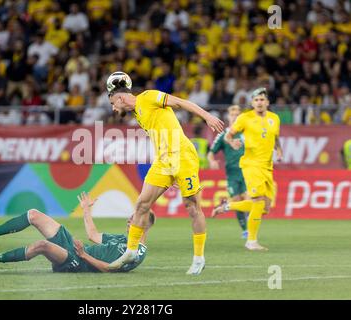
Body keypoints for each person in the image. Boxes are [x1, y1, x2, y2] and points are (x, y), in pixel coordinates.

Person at [107, 72, 224, 275]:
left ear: (120, 98)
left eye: (112, 103)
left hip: (183, 156)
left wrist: (207, 116)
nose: (113, 108)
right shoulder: (138, 114)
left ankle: (198, 258)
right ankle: (131, 251)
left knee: (192, 207)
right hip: (163, 161)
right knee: (142, 204)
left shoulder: (148, 97)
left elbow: (180, 102)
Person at [0, 192, 155, 273]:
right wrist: (87, 210)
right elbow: (93, 236)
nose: (129, 220)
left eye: (134, 218)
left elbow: (110, 268)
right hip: (77, 249)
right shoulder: (125, 239)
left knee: (42, 246)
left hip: (79, 261)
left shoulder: (138, 251)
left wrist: (83, 255)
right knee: (34, 214)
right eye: (131, 218)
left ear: (144, 224)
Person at [212, 88, 283, 251]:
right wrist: (232, 142)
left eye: (262, 100)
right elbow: (228, 135)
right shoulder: (245, 118)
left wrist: (279, 149)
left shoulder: (274, 118)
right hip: (251, 165)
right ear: (252, 103)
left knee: (264, 207)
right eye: (256, 100)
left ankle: (227, 207)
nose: (259, 102)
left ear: (267, 103)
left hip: (267, 167)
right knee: (257, 202)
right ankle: (251, 241)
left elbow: (275, 137)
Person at [208, 105, 248, 239]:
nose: (235, 116)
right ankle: (245, 230)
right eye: (233, 114)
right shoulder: (223, 135)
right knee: (236, 200)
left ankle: (249, 225)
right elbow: (211, 153)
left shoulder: (246, 133)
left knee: (248, 200)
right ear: (228, 117)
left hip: (247, 172)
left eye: (238, 114)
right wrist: (212, 161)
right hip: (232, 174)